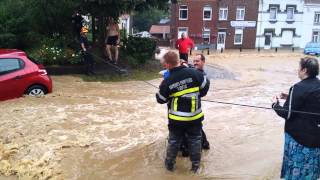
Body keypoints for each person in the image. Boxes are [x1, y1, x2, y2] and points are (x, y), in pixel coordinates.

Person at [156, 51, 209, 173]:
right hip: (195, 117)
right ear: (178, 61)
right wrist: (197, 94)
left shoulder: (168, 81)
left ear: (168, 65)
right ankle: (195, 167)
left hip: (177, 120)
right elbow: (205, 85)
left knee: (174, 141)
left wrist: (161, 87)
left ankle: (169, 166)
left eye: (164, 64)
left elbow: (160, 99)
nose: (164, 66)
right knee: (195, 140)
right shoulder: (194, 73)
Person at [272, 57, 320, 180]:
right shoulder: (318, 85)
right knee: (310, 173)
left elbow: (287, 114)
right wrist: (289, 97)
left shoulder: (297, 87)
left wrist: (275, 104)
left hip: (298, 140)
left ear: (304, 70)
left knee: (296, 173)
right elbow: (311, 102)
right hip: (316, 138)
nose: (297, 70)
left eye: (299, 67)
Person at [180, 54, 211, 157]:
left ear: (203, 62)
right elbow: (190, 67)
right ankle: (203, 144)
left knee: (193, 127)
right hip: (186, 107)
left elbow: (202, 93)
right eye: (194, 61)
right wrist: (184, 63)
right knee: (194, 127)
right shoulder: (193, 70)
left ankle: (199, 146)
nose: (195, 63)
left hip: (194, 108)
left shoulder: (204, 77)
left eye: (197, 61)